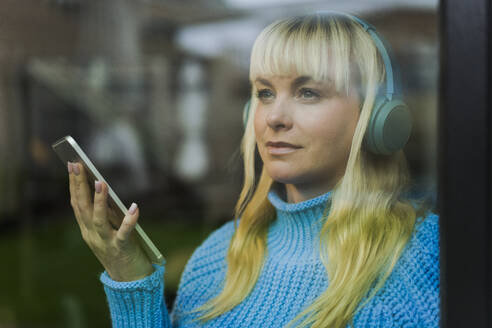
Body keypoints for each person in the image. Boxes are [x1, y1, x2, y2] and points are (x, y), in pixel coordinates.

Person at [67, 11, 439, 328]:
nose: (273, 117)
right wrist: (128, 274)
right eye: (264, 92)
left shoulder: (428, 256)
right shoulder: (216, 257)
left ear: (376, 119)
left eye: (308, 92)